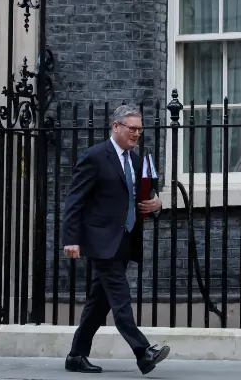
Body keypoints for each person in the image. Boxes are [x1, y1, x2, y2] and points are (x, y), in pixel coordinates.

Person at [61, 104, 170, 375]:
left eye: (139, 130)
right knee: (120, 297)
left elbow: (142, 197)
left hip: (125, 240)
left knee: (99, 303)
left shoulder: (136, 160)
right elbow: (75, 201)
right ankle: (143, 352)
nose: (136, 134)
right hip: (101, 241)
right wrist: (71, 239)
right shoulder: (95, 157)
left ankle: (76, 355)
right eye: (131, 129)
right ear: (116, 127)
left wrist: (156, 204)